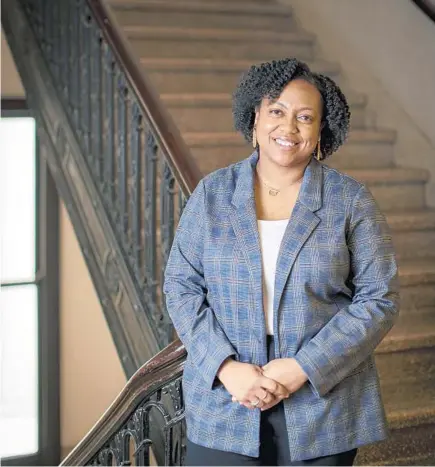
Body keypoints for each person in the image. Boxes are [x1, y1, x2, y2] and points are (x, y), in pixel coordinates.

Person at [163, 58, 399, 466]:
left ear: (320, 132)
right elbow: (181, 286)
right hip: (226, 396)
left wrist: (304, 367)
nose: (288, 128)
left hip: (323, 400)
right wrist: (224, 366)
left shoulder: (351, 200)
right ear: (254, 119)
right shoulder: (212, 194)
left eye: (305, 117)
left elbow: (379, 298)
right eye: (276, 111)